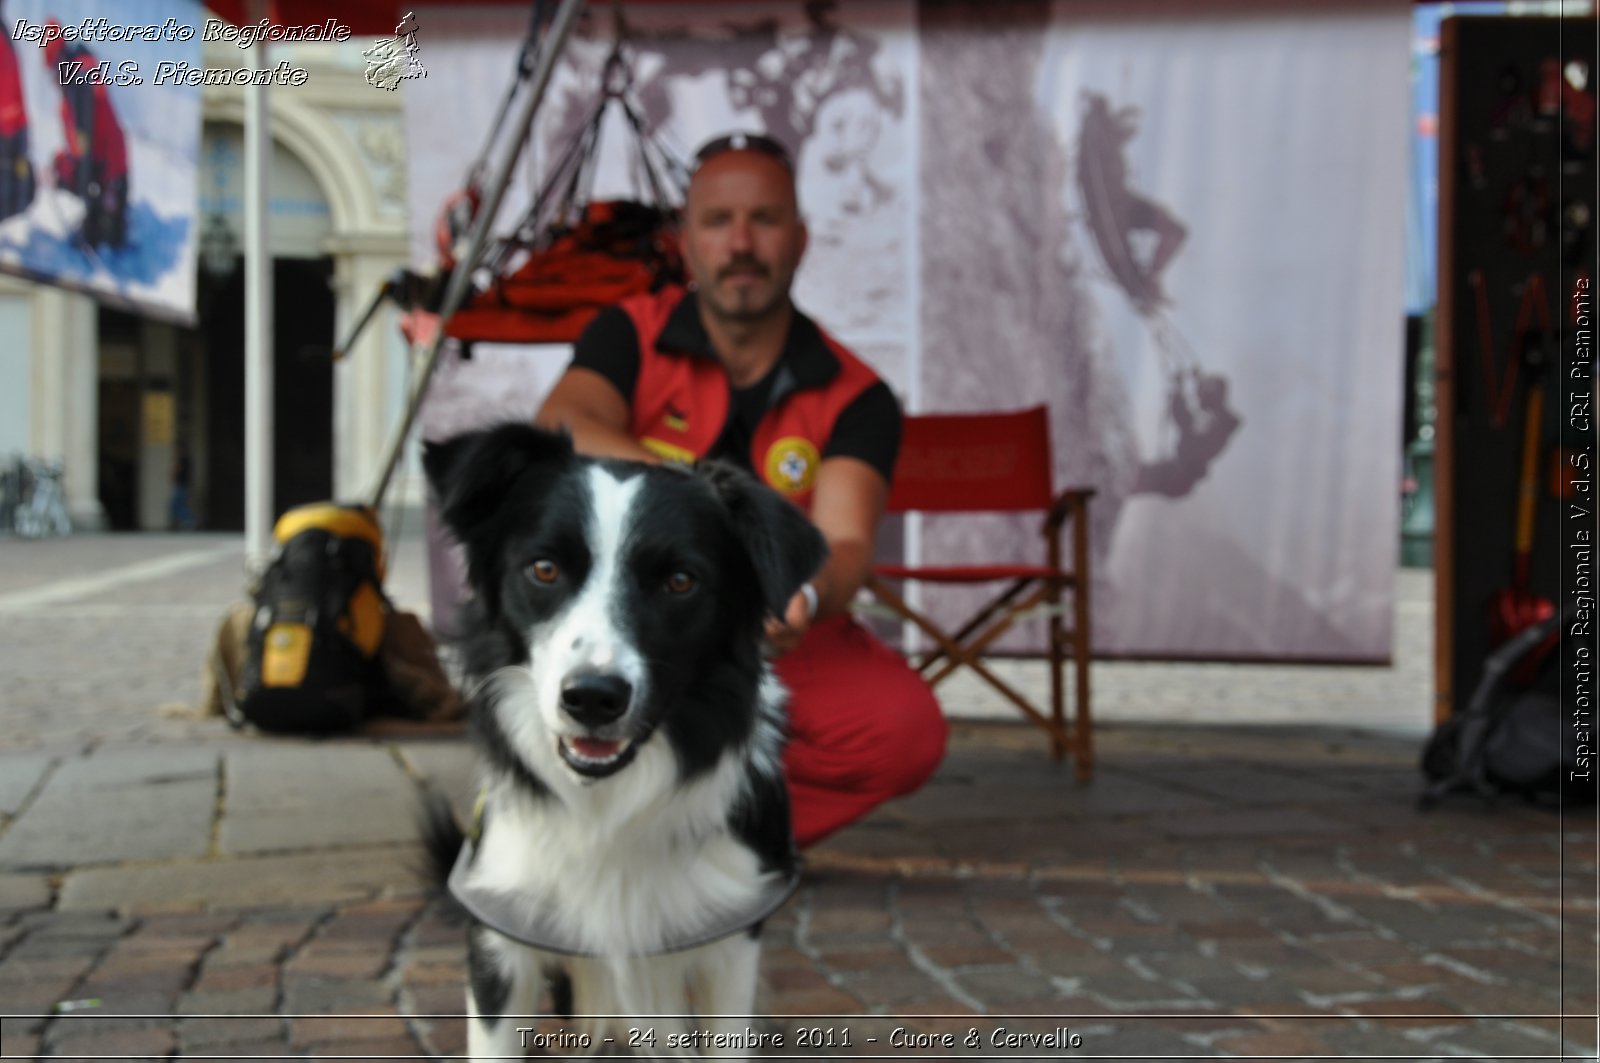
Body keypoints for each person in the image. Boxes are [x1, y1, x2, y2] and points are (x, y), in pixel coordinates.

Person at [535, 131, 947, 848]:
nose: (742, 242)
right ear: (686, 241)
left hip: (769, 636)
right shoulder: (627, 332)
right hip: (627, 617)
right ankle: (586, 832)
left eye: (765, 219)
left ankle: (703, 839)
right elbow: (564, 420)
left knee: (901, 733)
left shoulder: (858, 395)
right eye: (718, 221)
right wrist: (697, 511)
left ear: (801, 238)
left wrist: (806, 597)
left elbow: (847, 542)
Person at [42, 19, 128, 247]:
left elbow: (92, 140)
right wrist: (60, 164)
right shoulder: (76, 85)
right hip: (103, 166)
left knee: (108, 239)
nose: (52, 79)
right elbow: (79, 145)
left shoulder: (80, 81)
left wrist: (110, 185)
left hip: (111, 170)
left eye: (52, 69)